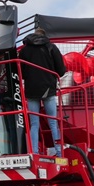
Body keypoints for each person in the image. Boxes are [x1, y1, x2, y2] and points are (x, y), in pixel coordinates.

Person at [18, 27, 66, 155]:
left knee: (34, 123)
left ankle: (34, 152)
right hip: (48, 88)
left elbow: (20, 72)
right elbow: (61, 70)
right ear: (45, 36)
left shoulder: (24, 50)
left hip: (31, 89)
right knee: (52, 122)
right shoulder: (51, 47)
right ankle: (59, 152)